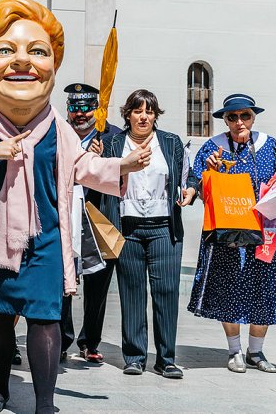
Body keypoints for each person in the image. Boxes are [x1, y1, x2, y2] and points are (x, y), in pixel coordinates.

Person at [0, 0, 150, 414]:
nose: (23, 62)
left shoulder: (56, 124)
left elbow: (83, 166)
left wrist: (121, 164)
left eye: (37, 51)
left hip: (46, 239)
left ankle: (44, 402)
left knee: (46, 317)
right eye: (5, 51)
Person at [188, 94, 276, 374]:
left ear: (253, 117)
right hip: (227, 231)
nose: (239, 122)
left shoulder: (269, 145)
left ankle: (257, 352)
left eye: (245, 116)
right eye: (232, 117)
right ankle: (235, 350)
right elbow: (198, 188)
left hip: (263, 231)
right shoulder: (213, 149)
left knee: (262, 289)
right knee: (229, 289)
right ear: (225, 120)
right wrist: (208, 174)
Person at [98, 89, 198, 379]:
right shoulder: (113, 143)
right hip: (126, 226)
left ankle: (166, 358)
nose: (144, 117)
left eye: (149, 112)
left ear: (156, 115)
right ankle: (134, 357)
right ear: (127, 114)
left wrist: (191, 190)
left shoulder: (170, 142)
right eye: (138, 111)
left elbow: (189, 174)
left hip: (163, 228)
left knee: (166, 292)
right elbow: (97, 174)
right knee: (131, 292)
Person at [58, 82, 122, 363]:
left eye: (86, 108)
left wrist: (104, 158)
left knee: (98, 284)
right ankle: (60, 340)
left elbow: (124, 175)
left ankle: (89, 341)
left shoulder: (115, 137)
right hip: (66, 217)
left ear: (97, 109)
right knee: (64, 283)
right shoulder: (58, 134)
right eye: (75, 108)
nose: (80, 114)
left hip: (100, 219)